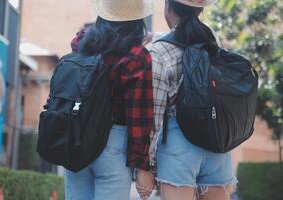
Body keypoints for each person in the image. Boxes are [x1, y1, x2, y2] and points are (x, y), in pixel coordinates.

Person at [65, 0, 155, 199]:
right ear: (137, 18)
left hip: (77, 136)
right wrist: (142, 166)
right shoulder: (137, 57)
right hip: (113, 141)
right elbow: (139, 116)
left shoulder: (82, 43)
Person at [149, 0, 238, 200]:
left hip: (178, 146)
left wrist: (146, 165)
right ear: (199, 9)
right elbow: (186, 35)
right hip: (216, 142)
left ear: (168, 8)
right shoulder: (211, 40)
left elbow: (154, 115)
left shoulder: (159, 52)